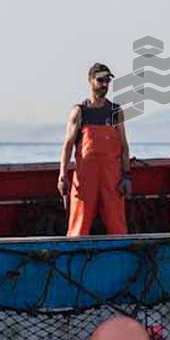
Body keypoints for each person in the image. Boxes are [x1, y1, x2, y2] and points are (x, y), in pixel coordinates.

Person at [58, 63, 131, 236]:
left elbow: (124, 146)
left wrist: (126, 176)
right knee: (79, 224)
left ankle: (121, 257)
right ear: (90, 81)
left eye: (107, 81)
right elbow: (68, 146)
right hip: (85, 178)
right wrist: (62, 175)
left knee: (117, 224)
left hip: (112, 177)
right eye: (100, 80)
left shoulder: (115, 111)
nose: (104, 85)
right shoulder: (79, 112)